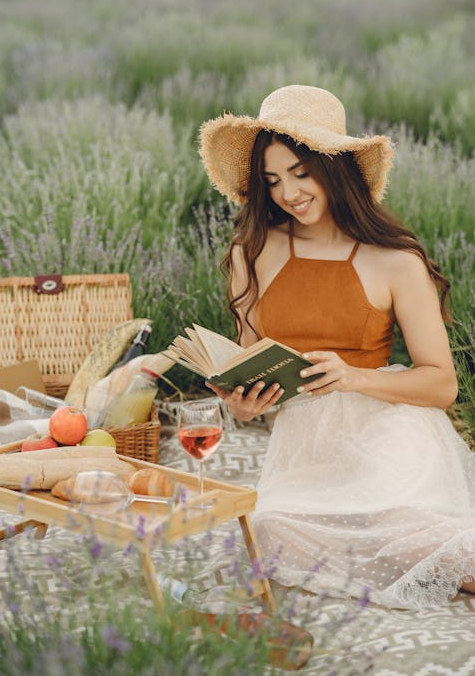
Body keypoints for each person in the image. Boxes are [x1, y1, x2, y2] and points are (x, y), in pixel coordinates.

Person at [199, 85, 475, 610]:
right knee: (267, 532)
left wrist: (353, 376)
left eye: (301, 172)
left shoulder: (395, 260)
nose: (288, 193)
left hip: (389, 426)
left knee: (412, 534)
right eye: (273, 179)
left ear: (336, 168)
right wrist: (244, 405)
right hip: (305, 443)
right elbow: (249, 361)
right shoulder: (251, 250)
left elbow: (441, 383)